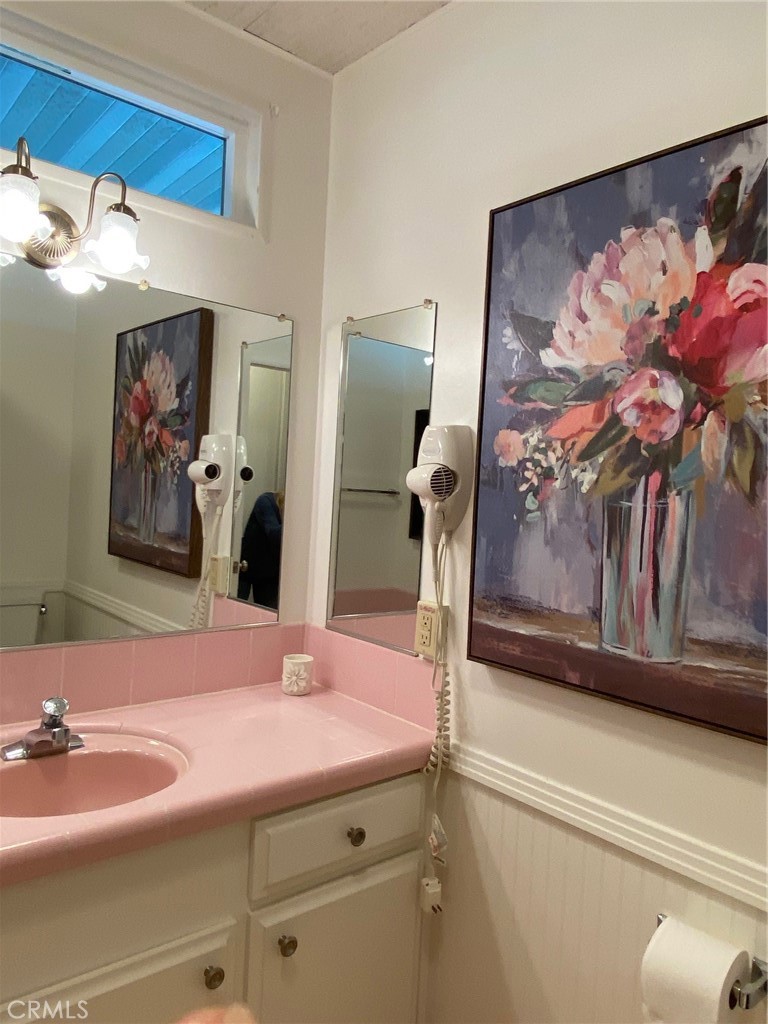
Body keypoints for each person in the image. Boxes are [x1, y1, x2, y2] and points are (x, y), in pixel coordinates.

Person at [237, 491, 284, 609]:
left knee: (269, 615)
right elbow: (273, 533)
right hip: (246, 566)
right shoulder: (266, 501)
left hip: (270, 572)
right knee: (236, 610)